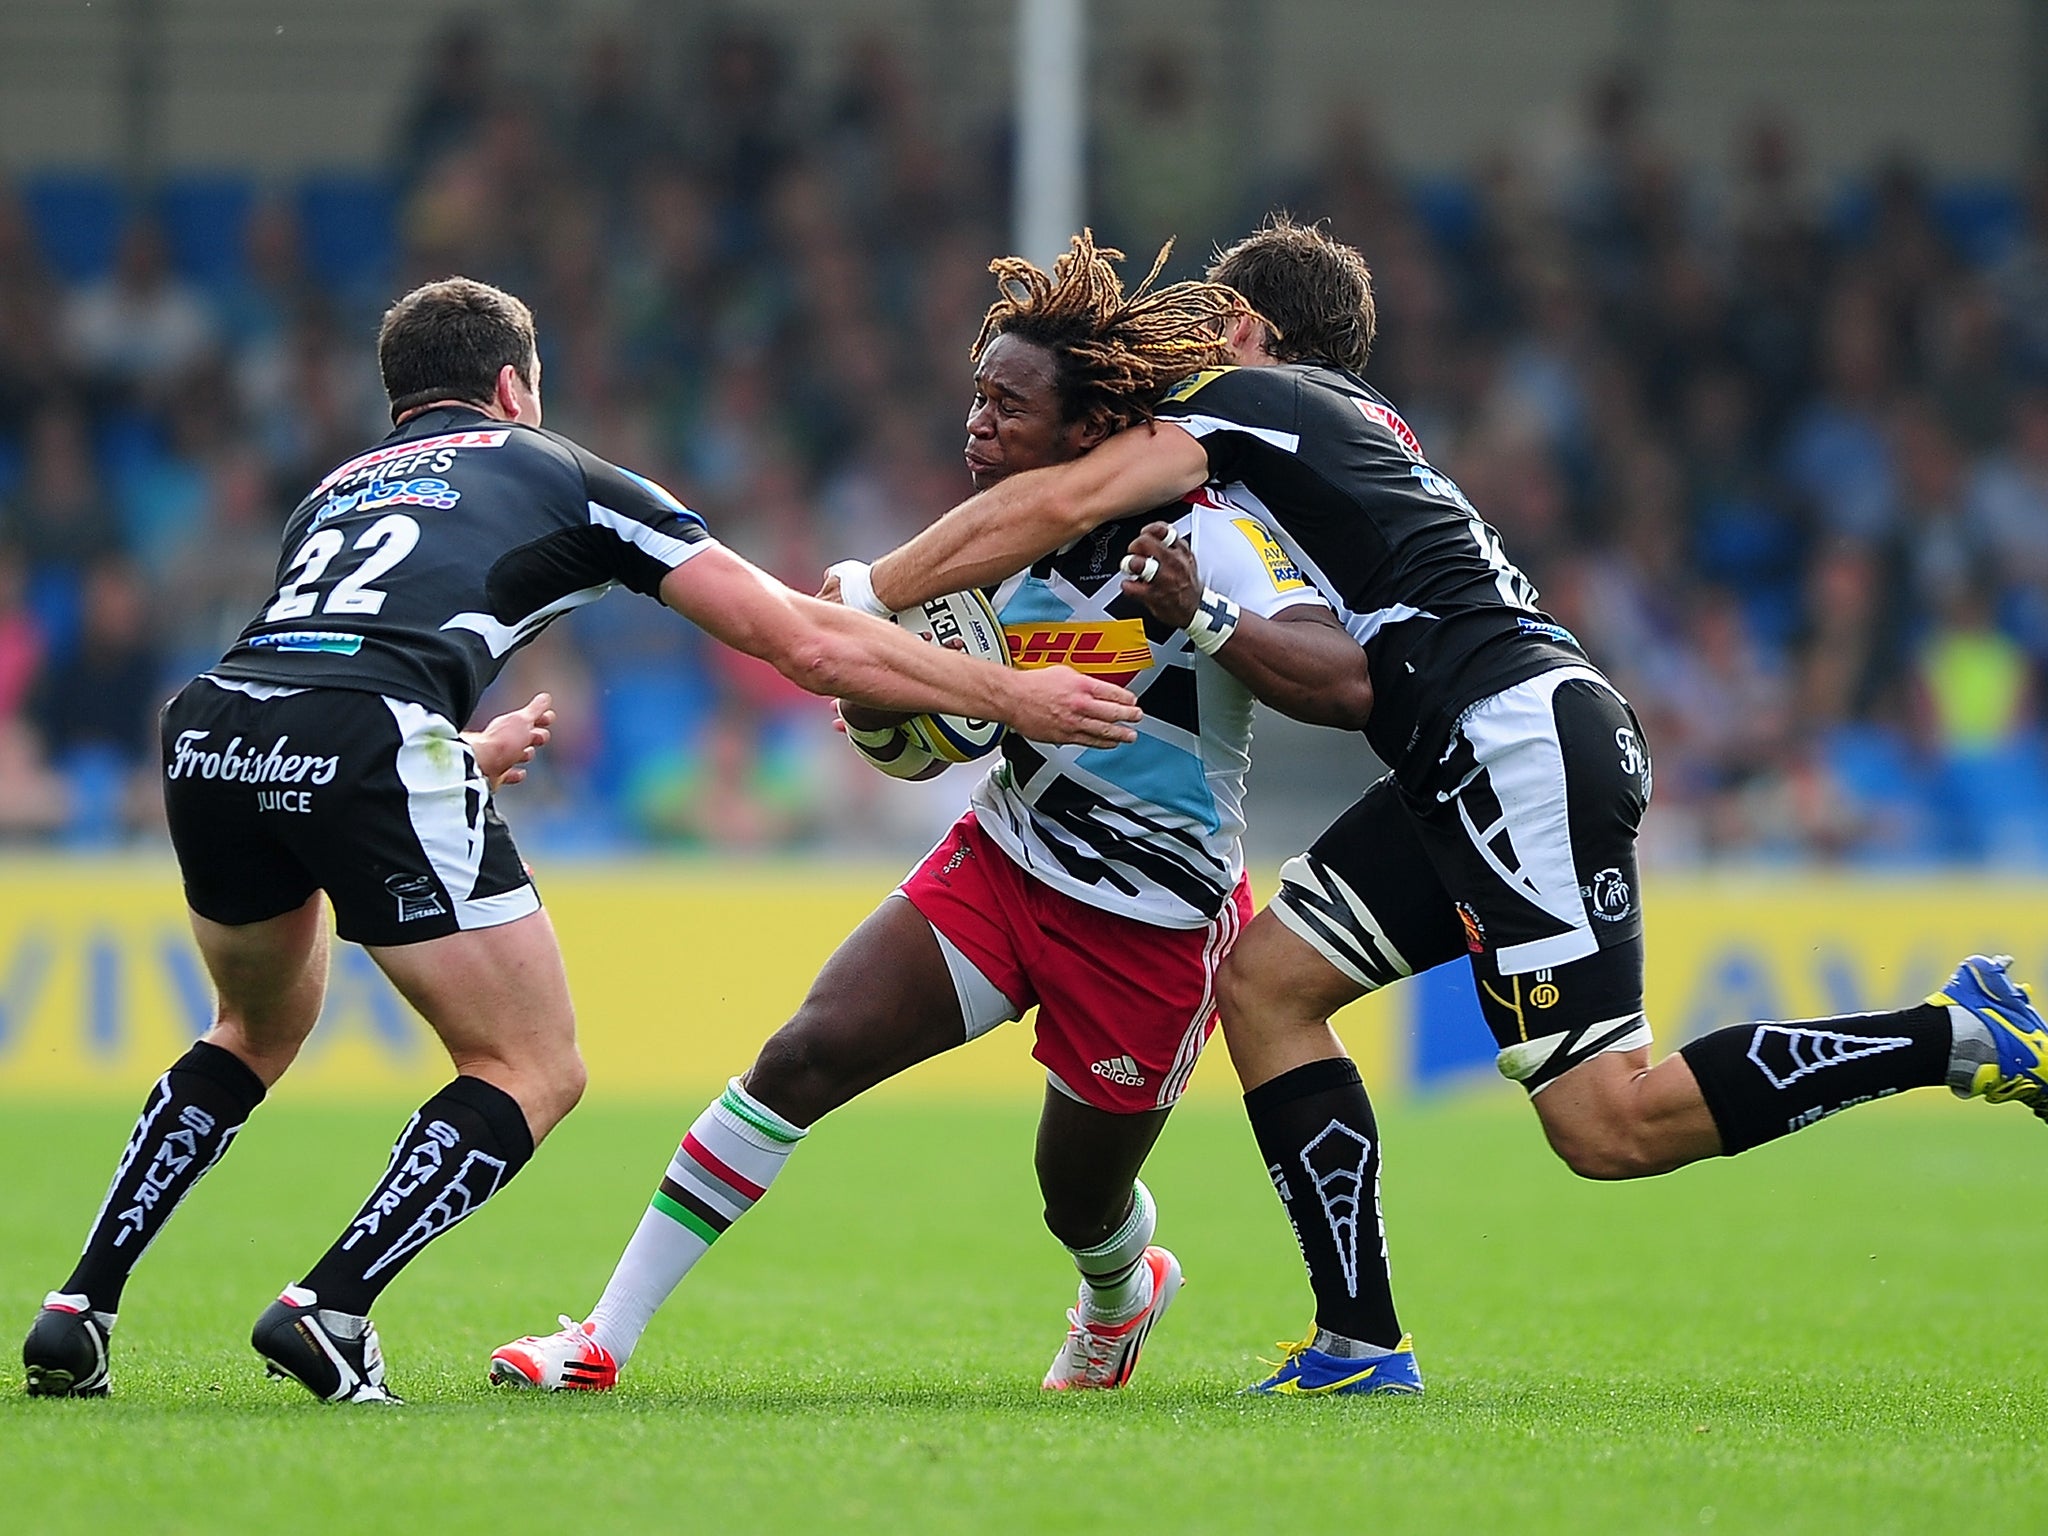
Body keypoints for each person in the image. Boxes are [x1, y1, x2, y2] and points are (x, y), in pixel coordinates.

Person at [826, 214, 2048, 1397]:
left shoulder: (1254, 403)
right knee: (1265, 983)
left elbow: (1051, 505)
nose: (1183, 363)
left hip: (1512, 744)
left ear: (1246, 326)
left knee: (1605, 1125)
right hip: (1453, 758)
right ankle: (1360, 1341)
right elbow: (1341, 676)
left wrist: (864, 595)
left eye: (1207, 326)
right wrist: (1204, 615)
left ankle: (1949, 1032)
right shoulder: (1328, 436)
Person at [20, 276, 1140, 1404]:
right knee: (531, 1066)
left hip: (213, 730)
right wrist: (1011, 694)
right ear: (514, 386)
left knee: (253, 1025)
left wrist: (452, 756)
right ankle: (331, 1307)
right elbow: (804, 642)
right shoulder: (562, 472)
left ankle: (81, 1305)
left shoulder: (335, 487)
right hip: (362, 744)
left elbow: (327, 661)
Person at [487, 232, 1371, 1394]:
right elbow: (909, 736)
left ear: (1087, 430)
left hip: (1155, 917)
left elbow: (1330, 664)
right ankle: (600, 1338)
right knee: (802, 1056)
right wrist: (885, 714)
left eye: (1008, 405)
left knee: (1078, 1198)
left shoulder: (1205, 533)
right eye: (975, 397)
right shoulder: (982, 549)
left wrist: (1200, 618)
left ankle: (1121, 1288)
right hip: (1002, 864)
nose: (978, 424)